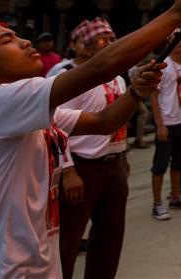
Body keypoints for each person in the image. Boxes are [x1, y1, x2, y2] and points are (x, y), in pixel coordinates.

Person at [0, 0, 181, 277]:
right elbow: (100, 68)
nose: (25, 42)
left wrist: (135, 92)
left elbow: (103, 122)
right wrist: (174, 15)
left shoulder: (20, 111)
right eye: (7, 40)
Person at [56, 18, 130, 279]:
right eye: (102, 41)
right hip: (82, 167)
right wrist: (67, 171)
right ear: (84, 49)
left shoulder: (118, 79)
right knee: (68, 240)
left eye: (112, 39)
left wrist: (123, 157)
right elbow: (54, 127)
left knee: (110, 238)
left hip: (114, 164)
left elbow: (118, 122)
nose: (110, 45)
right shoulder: (69, 80)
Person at [149, 32, 181, 220]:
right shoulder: (163, 65)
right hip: (167, 122)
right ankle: (157, 203)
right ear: (169, 44)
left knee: (180, 162)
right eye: (175, 40)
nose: (180, 42)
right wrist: (160, 124)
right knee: (160, 164)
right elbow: (153, 94)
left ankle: (176, 196)